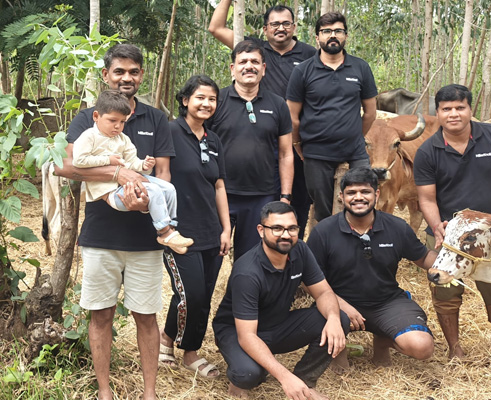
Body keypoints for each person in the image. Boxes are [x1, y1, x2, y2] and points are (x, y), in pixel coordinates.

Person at [55, 43, 174, 400]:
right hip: (101, 235)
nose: (127, 77)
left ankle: (149, 392)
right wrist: (119, 173)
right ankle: (105, 391)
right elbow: (66, 166)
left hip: (145, 239)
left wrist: (149, 202)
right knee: (101, 316)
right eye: (119, 71)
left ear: (141, 75)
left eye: (133, 71)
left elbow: (164, 173)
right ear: (106, 74)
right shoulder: (89, 117)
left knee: (147, 317)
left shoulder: (155, 119)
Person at [413, 83, 491, 359]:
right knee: (445, 292)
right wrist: (435, 227)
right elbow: (427, 200)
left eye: (459, 108)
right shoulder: (427, 151)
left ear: (470, 109)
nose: (453, 114)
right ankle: (455, 350)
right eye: (446, 109)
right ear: (438, 113)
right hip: (449, 234)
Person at [212, 201, 348, 399]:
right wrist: (284, 377)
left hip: (277, 324)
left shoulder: (299, 249)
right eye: (277, 228)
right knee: (248, 374)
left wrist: (334, 319)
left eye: (291, 228)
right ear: (261, 230)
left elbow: (324, 293)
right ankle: (241, 375)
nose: (286, 235)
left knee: (339, 320)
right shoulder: (248, 272)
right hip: (239, 332)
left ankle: (304, 383)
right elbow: (247, 336)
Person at [307, 167, 436, 368]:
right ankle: (337, 351)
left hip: (387, 302)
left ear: (376, 195)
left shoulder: (396, 227)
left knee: (422, 347)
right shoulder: (323, 231)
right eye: (351, 193)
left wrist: (454, 254)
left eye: (365, 192)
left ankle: (383, 341)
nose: (358, 197)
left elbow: (424, 258)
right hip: (337, 303)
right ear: (342, 197)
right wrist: (340, 306)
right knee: (340, 371)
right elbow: (310, 281)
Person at [209, 1, 315, 237]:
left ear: (294, 27)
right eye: (274, 24)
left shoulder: (310, 54)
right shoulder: (254, 50)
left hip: (296, 141)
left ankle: (289, 252)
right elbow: (215, 28)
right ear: (265, 29)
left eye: (286, 23)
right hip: (262, 138)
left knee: (296, 200)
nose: (281, 28)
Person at [156, 74, 231, 379]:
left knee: (202, 294)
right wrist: (163, 228)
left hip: (211, 231)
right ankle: (190, 352)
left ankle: (169, 340)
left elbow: (219, 186)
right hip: (179, 232)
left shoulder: (213, 140)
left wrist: (227, 230)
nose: (206, 103)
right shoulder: (169, 132)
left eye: (212, 99)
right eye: (200, 97)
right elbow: (158, 180)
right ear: (186, 100)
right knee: (191, 294)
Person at [286, 11, 378, 229]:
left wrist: (355, 136)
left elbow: (370, 112)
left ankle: (360, 245)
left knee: (364, 200)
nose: (332, 35)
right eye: (326, 31)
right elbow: (292, 117)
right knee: (323, 210)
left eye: (338, 31)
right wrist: (298, 145)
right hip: (317, 152)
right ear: (317, 37)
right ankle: (327, 254)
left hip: (355, 152)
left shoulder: (360, 68)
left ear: (345, 36)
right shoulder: (303, 71)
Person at [72, 89, 193, 254]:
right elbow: (78, 161)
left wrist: (144, 164)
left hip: (127, 182)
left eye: (122, 122)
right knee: (155, 190)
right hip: (111, 192)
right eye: (112, 120)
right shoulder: (89, 137)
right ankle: (163, 232)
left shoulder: (122, 138)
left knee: (168, 188)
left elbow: (131, 162)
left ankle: (171, 228)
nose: (117, 126)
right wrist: (108, 160)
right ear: (96, 116)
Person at [205, 39, 294, 260]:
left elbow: (285, 153)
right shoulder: (216, 101)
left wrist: (284, 197)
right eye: (243, 61)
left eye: (255, 61)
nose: (249, 66)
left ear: (264, 69)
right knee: (211, 255)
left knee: (249, 260)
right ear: (233, 69)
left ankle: (242, 295)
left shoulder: (278, 104)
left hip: (261, 196)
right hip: (220, 193)